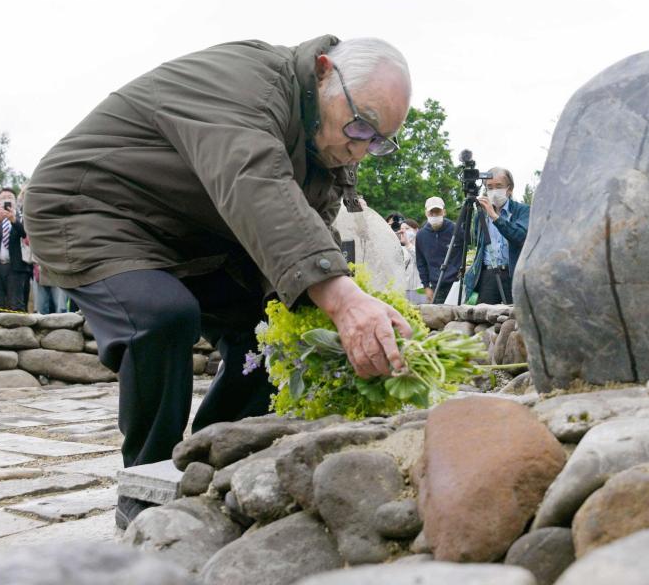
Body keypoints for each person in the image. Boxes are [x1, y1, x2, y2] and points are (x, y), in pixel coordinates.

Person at [25, 35, 413, 529]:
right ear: (322, 72)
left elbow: (308, 220)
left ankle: (212, 454)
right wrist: (340, 296)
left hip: (194, 236)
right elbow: (254, 180)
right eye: (360, 126)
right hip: (92, 209)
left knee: (275, 332)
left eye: (377, 141)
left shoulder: (327, 143)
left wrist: (320, 308)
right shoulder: (248, 82)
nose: (360, 147)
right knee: (160, 316)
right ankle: (147, 483)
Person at [462, 168, 530, 305]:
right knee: (484, 320)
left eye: (498, 186)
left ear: (509, 189)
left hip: (512, 274)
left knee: (512, 320)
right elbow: (478, 243)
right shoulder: (480, 215)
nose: (494, 191)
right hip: (488, 275)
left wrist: (495, 217)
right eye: (490, 187)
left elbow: (520, 237)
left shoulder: (523, 211)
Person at [0, 188, 28, 311]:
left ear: (15, 201)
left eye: (9, 197)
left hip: (15, 266)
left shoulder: (22, 217)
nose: (6, 200)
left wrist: (13, 220)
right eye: (3, 198)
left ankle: (19, 330)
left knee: (16, 303)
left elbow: (25, 233)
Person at [415, 196, 460, 304]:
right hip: (436, 286)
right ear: (426, 213)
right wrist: (426, 286)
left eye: (438, 211)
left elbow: (463, 252)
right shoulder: (421, 235)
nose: (434, 215)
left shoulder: (456, 230)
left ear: (444, 212)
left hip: (456, 284)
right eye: (431, 212)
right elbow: (421, 263)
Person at [397, 219, 426, 304]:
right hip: (404, 289)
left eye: (407, 228)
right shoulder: (400, 249)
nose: (404, 232)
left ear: (416, 230)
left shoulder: (423, 246)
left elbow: (421, 260)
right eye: (402, 229)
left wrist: (408, 244)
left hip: (420, 288)